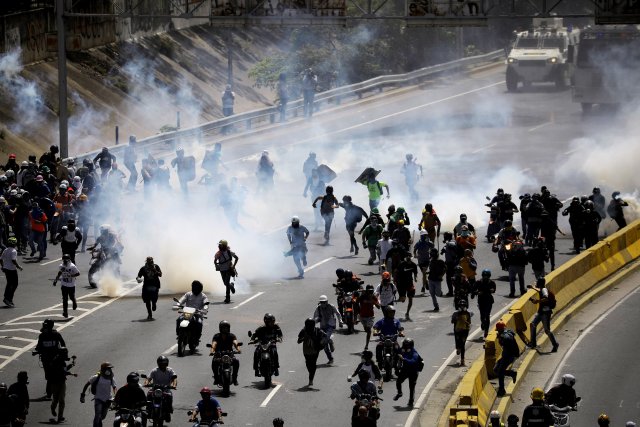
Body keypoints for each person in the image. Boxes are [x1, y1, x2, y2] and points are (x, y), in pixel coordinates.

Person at [35, 319, 66, 398]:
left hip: (54, 358)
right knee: (48, 375)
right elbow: (38, 347)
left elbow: (63, 345)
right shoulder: (43, 335)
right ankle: (51, 391)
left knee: (51, 375)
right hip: (47, 359)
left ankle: (50, 392)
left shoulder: (54, 334)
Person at [80, 362, 117, 427]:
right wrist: (82, 395)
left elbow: (114, 387)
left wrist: (116, 397)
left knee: (102, 416)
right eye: (108, 368)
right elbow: (87, 384)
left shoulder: (111, 378)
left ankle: (98, 423)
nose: (109, 370)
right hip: (98, 399)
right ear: (103, 369)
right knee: (97, 415)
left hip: (108, 399)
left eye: (110, 369)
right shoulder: (96, 377)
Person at [528, 277, 559, 352]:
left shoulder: (544, 290)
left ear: (540, 283)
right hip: (541, 312)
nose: (537, 283)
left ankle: (555, 344)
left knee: (547, 330)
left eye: (537, 282)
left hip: (545, 313)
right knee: (532, 324)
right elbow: (540, 291)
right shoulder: (542, 289)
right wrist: (533, 287)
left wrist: (537, 301)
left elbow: (545, 297)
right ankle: (533, 344)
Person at [144, 356, 177, 421]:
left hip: (166, 389)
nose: (162, 365)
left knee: (169, 396)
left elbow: (174, 378)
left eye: (164, 364)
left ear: (167, 364)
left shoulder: (170, 370)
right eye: (161, 364)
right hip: (155, 389)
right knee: (149, 394)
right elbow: (148, 378)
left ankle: (168, 412)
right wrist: (146, 383)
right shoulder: (154, 371)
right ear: (158, 364)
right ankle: (148, 409)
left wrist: (174, 385)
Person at [176, 280, 209, 345]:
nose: (195, 288)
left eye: (197, 287)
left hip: (197, 314)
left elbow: (206, 304)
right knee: (178, 319)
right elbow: (181, 300)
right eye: (194, 287)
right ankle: (179, 334)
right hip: (187, 313)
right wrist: (178, 304)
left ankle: (197, 338)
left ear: (200, 288)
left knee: (199, 323)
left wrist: (205, 309)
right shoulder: (188, 294)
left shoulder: (203, 296)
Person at [210, 320, 242, 386]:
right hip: (219, 355)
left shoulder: (231, 336)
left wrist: (238, 349)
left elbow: (235, 343)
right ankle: (216, 378)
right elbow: (214, 344)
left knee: (236, 361)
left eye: (226, 327)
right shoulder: (217, 336)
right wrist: (212, 351)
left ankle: (234, 378)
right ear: (220, 328)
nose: (225, 329)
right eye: (223, 327)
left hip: (229, 354)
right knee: (214, 362)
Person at [48, 347, 75, 424]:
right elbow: (62, 371)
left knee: (61, 400)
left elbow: (63, 371)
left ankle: (60, 416)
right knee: (56, 399)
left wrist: (70, 370)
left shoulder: (60, 360)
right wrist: (70, 368)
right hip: (55, 382)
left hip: (62, 382)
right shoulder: (56, 361)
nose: (66, 355)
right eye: (65, 353)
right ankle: (53, 408)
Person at [297, 318, 327, 387]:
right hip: (306, 351)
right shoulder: (303, 331)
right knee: (308, 364)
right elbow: (298, 341)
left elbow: (325, 336)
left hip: (315, 350)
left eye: (310, 325)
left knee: (313, 365)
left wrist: (322, 341)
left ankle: (311, 379)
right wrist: (303, 338)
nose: (309, 327)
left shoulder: (317, 330)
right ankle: (311, 373)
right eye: (308, 325)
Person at [314, 295, 343, 363]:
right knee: (324, 345)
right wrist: (314, 322)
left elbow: (338, 314)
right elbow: (315, 317)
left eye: (324, 302)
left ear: (327, 301)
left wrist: (340, 321)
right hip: (323, 326)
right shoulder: (318, 308)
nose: (323, 304)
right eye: (321, 302)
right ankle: (330, 358)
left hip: (330, 325)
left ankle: (330, 341)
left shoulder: (331, 306)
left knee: (325, 339)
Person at [494, 321, 519, 397]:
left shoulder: (505, 336)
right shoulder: (506, 333)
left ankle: (502, 390)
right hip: (506, 355)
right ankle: (512, 373)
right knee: (496, 369)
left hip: (509, 356)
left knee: (500, 372)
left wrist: (501, 339)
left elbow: (507, 341)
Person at [52, 253, 80, 318]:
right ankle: (65, 312)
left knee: (71, 297)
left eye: (66, 260)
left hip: (71, 285)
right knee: (65, 299)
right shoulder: (61, 266)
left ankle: (74, 302)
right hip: (64, 284)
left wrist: (71, 276)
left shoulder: (72, 266)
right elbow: (60, 273)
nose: (65, 261)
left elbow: (78, 273)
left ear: (69, 260)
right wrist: (56, 280)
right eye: (64, 260)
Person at [473, 269, 496, 338]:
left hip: (489, 300)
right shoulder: (478, 282)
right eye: (484, 276)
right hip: (481, 300)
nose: (485, 277)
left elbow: (494, 290)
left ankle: (486, 330)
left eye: (487, 276)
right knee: (482, 315)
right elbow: (473, 290)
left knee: (487, 315)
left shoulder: (492, 282)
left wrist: (491, 290)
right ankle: (483, 323)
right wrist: (477, 292)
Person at [214, 240, 239, 304]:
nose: (219, 246)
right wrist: (216, 264)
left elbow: (236, 258)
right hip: (222, 270)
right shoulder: (218, 253)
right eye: (219, 245)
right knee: (225, 283)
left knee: (226, 282)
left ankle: (228, 298)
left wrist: (233, 266)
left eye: (220, 245)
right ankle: (231, 286)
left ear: (224, 245)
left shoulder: (229, 252)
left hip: (228, 269)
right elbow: (215, 261)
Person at [357, 284, 380, 350]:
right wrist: (360, 294)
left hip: (370, 316)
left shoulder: (374, 297)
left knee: (369, 330)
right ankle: (367, 330)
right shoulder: (362, 296)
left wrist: (372, 300)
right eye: (369, 291)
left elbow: (378, 307)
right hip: (362, 316)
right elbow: (356, 302)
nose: (370, 292)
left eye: (371, 291)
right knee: (366, 329)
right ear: (366, 291)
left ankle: (366, 345)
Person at [1, 237, 23, 307]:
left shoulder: (6, 250)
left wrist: (3, 266)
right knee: (15, 284)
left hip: (6, 269)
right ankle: (8, 298)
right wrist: (18, 266)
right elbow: (13, 260)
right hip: (12, 270)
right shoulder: (14, 251)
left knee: (9, 283)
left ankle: (7, 298)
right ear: (15, 244)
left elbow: (0, 259)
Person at [396, 253, 418, 320]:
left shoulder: (414, 265)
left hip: (410, 284)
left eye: (409, 257)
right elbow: (396, 272)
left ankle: (407, 313)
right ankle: (402, 297)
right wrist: (395, 280)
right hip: (401, 284)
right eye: (407, 257)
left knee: (410, 299)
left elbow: (415, 273)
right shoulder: (401, 264)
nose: (408, 258)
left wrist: (415, 278)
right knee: (402, 299)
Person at [451, 299, 472, 366]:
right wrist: (456, 318)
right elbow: (452, 321)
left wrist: (466, 322)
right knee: (458, 342)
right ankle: (458, 348)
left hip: (465, 330)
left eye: (463, 306)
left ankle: (462, 360)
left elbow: (469, 322)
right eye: (461, 306)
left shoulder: (468, 314)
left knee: (463, 344)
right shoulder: (455, 314)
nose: (462, 307)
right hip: (457, 330)